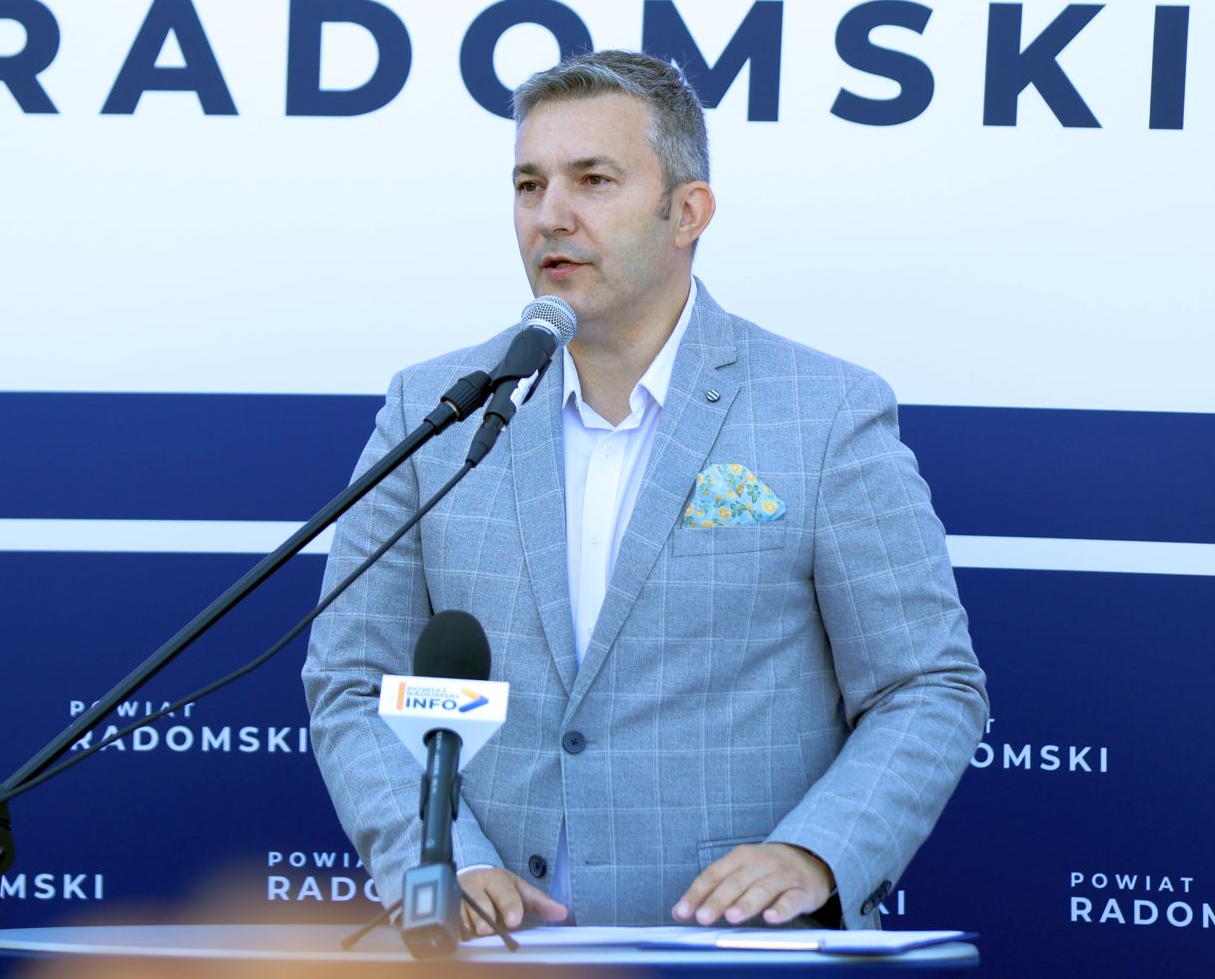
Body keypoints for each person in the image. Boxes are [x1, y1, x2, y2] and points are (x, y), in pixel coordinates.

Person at [302, 50, 986, 935]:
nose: (551, 216)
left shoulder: (823, 412)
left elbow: (926, 684)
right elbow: (353, 680)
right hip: (496, 952)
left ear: (687, 212)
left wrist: (817, 853)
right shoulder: (433, 409)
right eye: (529, 185)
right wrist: (446, 861)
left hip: (731, 951)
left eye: (593, 180)